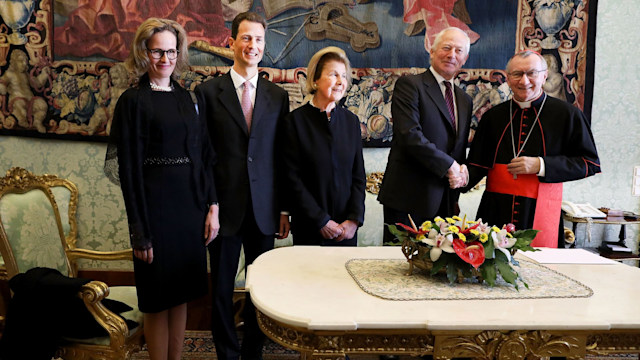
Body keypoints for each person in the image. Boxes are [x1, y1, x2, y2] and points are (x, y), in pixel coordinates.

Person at [104, 18, 218, 360]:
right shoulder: (133, 102)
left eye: (171, 50)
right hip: (153, 210)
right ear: (144, 52)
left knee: (181, 293)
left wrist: (212, 206)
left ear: (179, 53)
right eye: (158, 51)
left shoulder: (188, 99)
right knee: (156, 299)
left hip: (190, 209)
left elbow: (205, 156)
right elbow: (128, 172)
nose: (165, 58)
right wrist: (139, 232)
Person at [193, 11, 290, 360]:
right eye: (246, 38)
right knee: (220, 288)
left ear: (265, 45)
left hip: (265, 209)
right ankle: (226, 355)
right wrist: (209, 204)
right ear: (231, 42)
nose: (252, 45)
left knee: (259, 290)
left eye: (259, 39)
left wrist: (282, 209)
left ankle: (252, 353)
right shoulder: (206, 92)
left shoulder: (278, 97)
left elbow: (281, 157)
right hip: (222, 210)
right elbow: (202, 156)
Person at [464, 50, 601, 247]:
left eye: (532, 73)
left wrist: (541, 165)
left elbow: (590, 163)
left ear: (544, 75)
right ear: (508, 78)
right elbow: (477, 165)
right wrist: (455, 178)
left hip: (540, 210)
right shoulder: (492, 117)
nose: (524, 81)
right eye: (517, 74)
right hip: (495, 210)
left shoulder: (567, 115)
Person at [377, 27, 473, 243]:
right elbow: (410, 135)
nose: (452, 55)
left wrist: (461, 174)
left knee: (436, 272)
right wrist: (451, 166)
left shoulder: (464, 99)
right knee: (397, 270)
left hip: (445, 203)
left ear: (464, 59)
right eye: (446, 48)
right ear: (432, 51)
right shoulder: (410, 85)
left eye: (459, 51)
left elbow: (457, 148)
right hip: (408, 199)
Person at [283, 46, 366, 246]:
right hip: (309, 227)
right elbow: (291, 179)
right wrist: (321, 220)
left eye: (344, 76)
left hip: (346, 231)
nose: (340, 82)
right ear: (315, 80)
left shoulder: (351, 122)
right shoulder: (294, 122)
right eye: (333, 75)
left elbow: (358, 177)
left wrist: (353, 220)